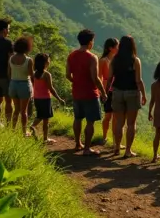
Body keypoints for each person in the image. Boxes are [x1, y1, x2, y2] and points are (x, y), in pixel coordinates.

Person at [67, 29, 107, 157]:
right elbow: (95, 78)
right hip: (90, 93)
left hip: (76, 92)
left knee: (77, 118)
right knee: (90, 121)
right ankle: (87, 148)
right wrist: (103, 92)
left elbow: (67, 75)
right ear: (90, 42)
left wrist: (77, 81)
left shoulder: (71, 55)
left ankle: (78, 143)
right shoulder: (92, 57)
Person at [110, 35, 147, 158]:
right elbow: (138, 80)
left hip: (117, 92)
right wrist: (144, 95)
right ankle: (128, 151)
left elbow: (110, 78)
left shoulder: (114, 60)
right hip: (132, 92)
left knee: (119, 122)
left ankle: (116, 147)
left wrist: (106, 92)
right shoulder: (135, 60)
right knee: (131, 123)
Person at [29, 53, 66, 144]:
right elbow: (51, 88)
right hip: (45, 99)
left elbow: (34, 86)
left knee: (40, 115)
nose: (49, 61)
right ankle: (42, 136)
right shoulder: (46, 75)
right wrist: (59, 98)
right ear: (45, 63)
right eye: (48, 60)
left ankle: (36, 129)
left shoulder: (33, 74)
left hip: (37, 98)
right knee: (45, 119)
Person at [8, 36, 34, 135]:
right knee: (24, 111)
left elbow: (9, 73)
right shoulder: (29, 60)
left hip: (13, 84)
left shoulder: (11, 58)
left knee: (16, 110)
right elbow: (31, 75)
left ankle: (13, 130)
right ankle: (24, 132)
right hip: (24, 85)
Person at [99, 38, 120, 147]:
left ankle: (115, 142)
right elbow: (99, 77)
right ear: (110, 48)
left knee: (116, 117)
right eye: (117, 46)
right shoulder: (103, 60)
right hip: (107, 91)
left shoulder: (118, 59)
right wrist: (102, 92)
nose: (119, 48)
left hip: (117, 90)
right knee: (108, 116)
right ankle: (104, 137)